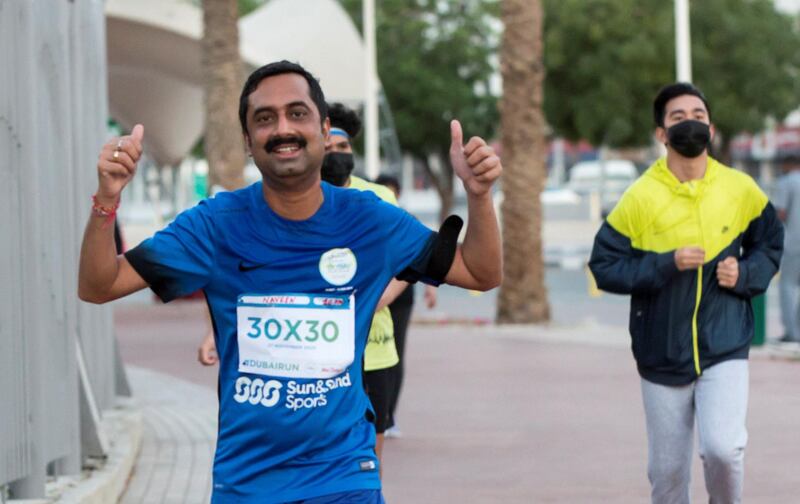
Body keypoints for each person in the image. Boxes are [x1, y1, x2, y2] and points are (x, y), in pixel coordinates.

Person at [78, 60, 502, 504]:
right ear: (247, 140)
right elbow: (98, 285)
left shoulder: (370, 220)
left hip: (344, 479)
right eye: (265, 118)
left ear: (324, 129)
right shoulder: (214, 225)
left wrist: (479, 195)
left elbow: (480, 272)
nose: (282, 128)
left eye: (297, 113)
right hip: (247, 483)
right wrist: (107, 199)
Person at [588, 82, 783, 504]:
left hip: (725, 344)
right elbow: (604, 267)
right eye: (678, 118)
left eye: (697, 115)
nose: (689, 123)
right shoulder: (640, 197)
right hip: (661, 352)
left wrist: (746, 272)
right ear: (661, 133)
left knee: (724, 450)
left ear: (710, 127)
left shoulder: (740, 188)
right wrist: (665, 264)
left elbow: (770, 243)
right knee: (668, 476)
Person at [320, 102, 405, 466]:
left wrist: (380, 298)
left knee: (372, 448)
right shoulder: (294, 201)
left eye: (342, 148)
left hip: (374, 348)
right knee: (324, 449)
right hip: (317, 353)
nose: (337, 156)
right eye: (327, 150)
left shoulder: (380, 198)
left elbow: (408, 262)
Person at [374, 173, 438, 438]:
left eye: (392, 191)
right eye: (383, 191)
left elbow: (428, 255)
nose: (388, 195)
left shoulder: (407, 221)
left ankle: (389, 415)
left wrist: (430, 287)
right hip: (375, 295)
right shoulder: (371, 218)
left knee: (395, 352)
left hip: (400, 298)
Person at [772, 154, 800, 343]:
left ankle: (792, 332)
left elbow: (780, 213)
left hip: (794, 243)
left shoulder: (786, 182)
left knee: (788, 286)